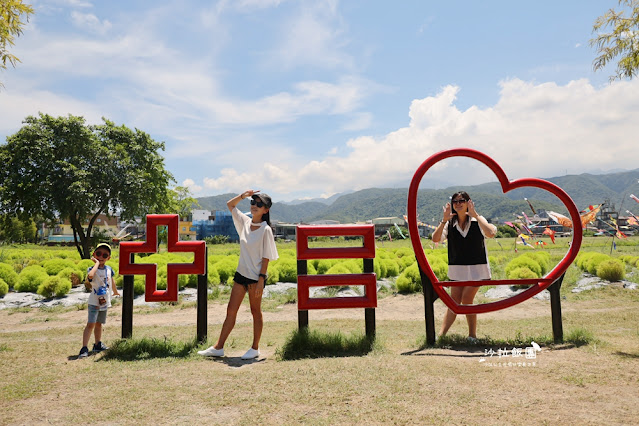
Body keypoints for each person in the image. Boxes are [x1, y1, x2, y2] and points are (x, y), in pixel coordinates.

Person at [198, 190, 279, 360]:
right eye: (253, 202)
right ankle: (218, 347)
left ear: (266, 210)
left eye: (259, 204)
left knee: (255, 311)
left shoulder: (266, 230)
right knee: (230, 311)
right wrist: (243, 195)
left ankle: (255, 348)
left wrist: (261, 279)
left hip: (256, 278)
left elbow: (266, 257)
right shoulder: (244, 222)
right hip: (241, 275)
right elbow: (230, 205)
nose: (254, 206)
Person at [431, 191, 496, 342]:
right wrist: (443, 220)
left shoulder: (477, 221)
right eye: (455, 201)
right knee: (453, 301)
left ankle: (472, 336)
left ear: (468, 202)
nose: (458, 203)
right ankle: (441, 335)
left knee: (467, 299)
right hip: (457, 269)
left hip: (477, 269)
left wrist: (476, 215)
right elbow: (435, 239)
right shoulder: (450, 223)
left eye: (462, 200)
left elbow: (491, 233)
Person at [78, 243, 119, 358]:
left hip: (104, 301)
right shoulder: (92, 269)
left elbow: (112, 280)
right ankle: (84, 347)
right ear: (94, 255)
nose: (101, 257)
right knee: (90, 324)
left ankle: (97, 344)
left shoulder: (109, 269)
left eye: (104, 255)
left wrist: (115, 291)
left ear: (108, 258)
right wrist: (96, 263)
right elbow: (90, 276)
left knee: (99, 324)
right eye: (98, 254)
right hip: (94, 302)